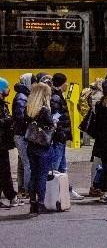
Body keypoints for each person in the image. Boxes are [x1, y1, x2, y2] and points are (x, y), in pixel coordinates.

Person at [50, 73, 84, 200]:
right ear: (61, 83)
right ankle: (53, 191)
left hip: (61, 136)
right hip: (59, 136)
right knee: (56, 165)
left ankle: (65, 190)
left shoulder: (58, 96)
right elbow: (55, 116)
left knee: (62, 165)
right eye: (66, 82)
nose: (67, 85)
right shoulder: (56, 97)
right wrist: (60, 131)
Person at [26, 82, 55, 214]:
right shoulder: (44, 110)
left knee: (33, 174)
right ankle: (41, 203)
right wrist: (55, 123)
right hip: (43, 146)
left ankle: (32, 203)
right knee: (42, 175)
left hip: (31, 146)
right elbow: (51, 126)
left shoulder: (29, 109)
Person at [12, 73, 35, 198]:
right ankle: (27, 189)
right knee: (28, 163)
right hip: (22, 134)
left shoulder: (22, 95)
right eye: (33, 82)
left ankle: (21, 187)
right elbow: (22, 117)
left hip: (19, 133)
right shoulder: (22, 97)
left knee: (22, 162)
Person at [0, 78, 21, 208]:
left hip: (3, 142)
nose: (9, 89)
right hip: (1, 143)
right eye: (6, 87)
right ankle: (12, 197)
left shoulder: (3, 103)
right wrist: (9, 120)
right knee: (5, 171)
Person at [84, 78, 105, 197]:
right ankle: (95, 185)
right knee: (99, 159)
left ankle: (95, 185)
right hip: (101, 133)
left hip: (98, 133)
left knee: (97, 159)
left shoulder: (94, 95)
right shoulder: (99, 97)